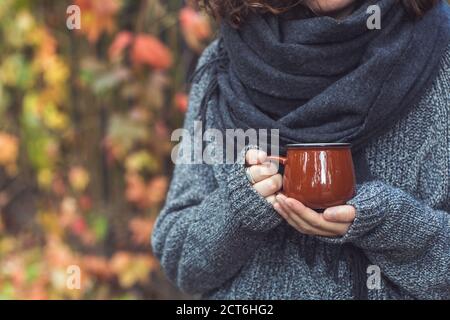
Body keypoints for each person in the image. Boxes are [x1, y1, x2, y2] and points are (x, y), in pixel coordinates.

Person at [152, 0, 450, 299]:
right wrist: (238, 208)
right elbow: (182, 265)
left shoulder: (440, 54)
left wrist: (388, 224)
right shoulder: (224, 62)